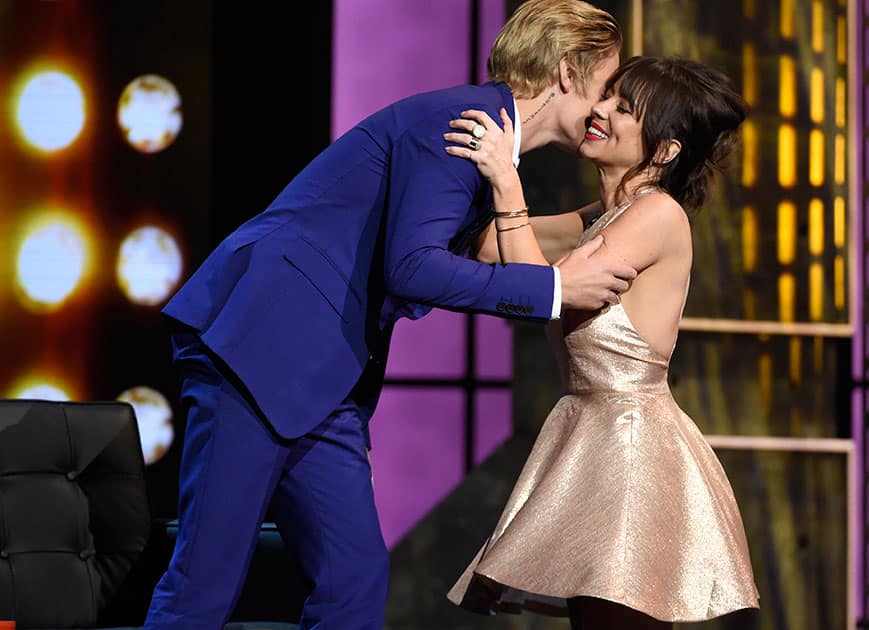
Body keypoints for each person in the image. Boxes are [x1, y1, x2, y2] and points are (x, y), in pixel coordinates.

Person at [143, 2, 635, 628]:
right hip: (260, 345)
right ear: (569, 71)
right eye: (605, 87)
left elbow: (483, 243)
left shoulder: (491, 150)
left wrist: (624, 208)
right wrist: (555, 292)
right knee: (203, 586)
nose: (603, 108)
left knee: (354, 581)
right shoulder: (463, 122)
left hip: (322, 381)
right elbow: (416, 267)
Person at [443, 55, 760, 627]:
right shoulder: (607, 215)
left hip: (631, 450)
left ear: (663, 151)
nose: (601, 111)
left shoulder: (658, 214)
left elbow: (540, 287)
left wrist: (507, 180)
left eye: (624, 108)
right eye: (608, 96)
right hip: (594, 436)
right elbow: (495, 247)